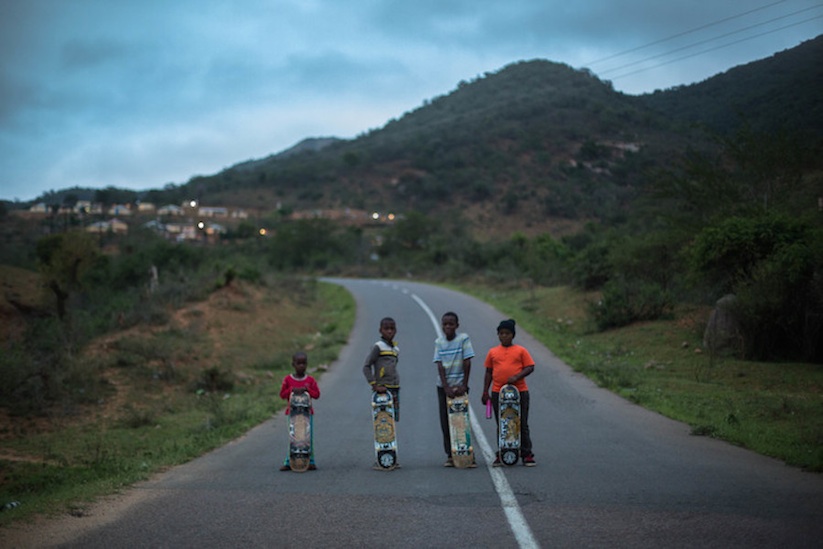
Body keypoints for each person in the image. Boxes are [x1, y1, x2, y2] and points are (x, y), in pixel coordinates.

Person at [481, 318, 536, 467]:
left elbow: (530, 367)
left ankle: (526, 453)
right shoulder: (493, 352)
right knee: (503, 423)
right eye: (501, 333)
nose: (504, 336)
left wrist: (517, 376)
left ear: (513, 335)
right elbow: (488, 372)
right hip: (499, 392)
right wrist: (485, 392)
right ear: (498, 335)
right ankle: (503, 451)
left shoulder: (521, 351)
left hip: (519, 392)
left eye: (507, 333)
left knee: (522, 422)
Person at [433, 311, 476, 467]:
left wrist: (464, 385)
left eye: (451, 324)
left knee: (461, 421)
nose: (448, 327)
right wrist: (446, 387)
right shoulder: (439, 342)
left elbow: (467, 362)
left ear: (457, 325)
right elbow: (440, 365)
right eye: (445, 324)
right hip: (444, 388)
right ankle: (451, 455)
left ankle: (468, 454)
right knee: (445, 420)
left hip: (460, 386)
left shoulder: (463, 339)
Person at [279, 351, 321, 471]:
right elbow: (282, 395)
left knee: (307, 438)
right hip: (292, 414)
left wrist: (307, 389)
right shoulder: (288, 380)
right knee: (293, 438)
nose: (301, 366)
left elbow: (317, 394)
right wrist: (292, 390)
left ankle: (310, 461)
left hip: (307, 415)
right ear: (293, 364)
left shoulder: (310, 380)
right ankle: (288, 461)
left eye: (304, 363)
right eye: (298, 363)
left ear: (307, 364)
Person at [363, 317, 400, 421]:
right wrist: (374, 385)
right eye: (386, 328)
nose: (389, 331)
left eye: (392, 328)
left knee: (392, 419)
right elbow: (366, 366)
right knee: (382, 420)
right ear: (380, 330)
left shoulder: (395, 349)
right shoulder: (378, 347)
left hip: (394, 387)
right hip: (382, 389)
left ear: (395, 331)